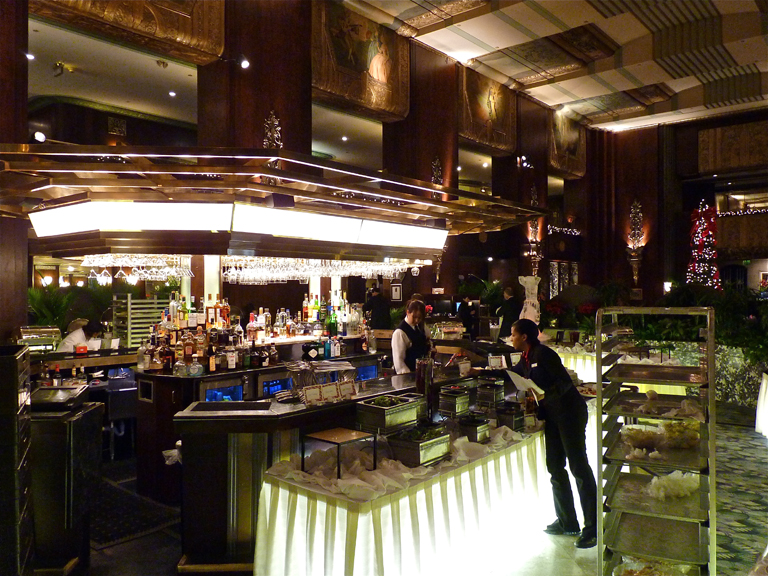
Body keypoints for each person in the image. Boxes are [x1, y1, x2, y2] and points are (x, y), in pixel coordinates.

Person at [508, 318, 597, 549]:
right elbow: (511, 374)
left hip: (569, 413)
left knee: (579, 467)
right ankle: (567, 522)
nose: (511, 338)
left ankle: (593, 528)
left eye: (513, 334)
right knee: (555, 466)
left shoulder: (544, 354)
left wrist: (544, 394)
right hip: (553, 415)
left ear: (524, 336)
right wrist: (478, 369)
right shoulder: (525, 358)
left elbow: (564, 383)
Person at [392, 299, 429, 374]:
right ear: (408, 312)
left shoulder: (419, 327)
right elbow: (399, 363)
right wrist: (410, 377)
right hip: (407, 376)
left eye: (419, 318)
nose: (417, 320)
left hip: (420, 373)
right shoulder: (400, 332)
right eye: (414, 317)